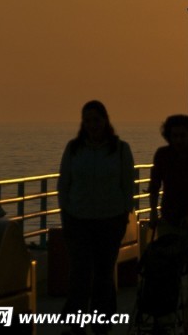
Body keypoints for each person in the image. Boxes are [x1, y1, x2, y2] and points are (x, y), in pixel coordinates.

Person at [58, 100, 135, 334]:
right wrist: (67, 212)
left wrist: (123, 212)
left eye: (96, 120)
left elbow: (127, 184)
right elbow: (64, 183)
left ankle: (102, 321)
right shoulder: (73, 149)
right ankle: (75, 323)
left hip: (110, 219)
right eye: (88, 120)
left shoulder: (120, 149)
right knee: (79, 272)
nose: (92, 125)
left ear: (105, 121)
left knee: (103, 273)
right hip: (78, 219)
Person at [148, 115, 188, 335]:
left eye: (182, 136)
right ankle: (165, 321)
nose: (178, 140)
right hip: (169, 220)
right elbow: (154, 185)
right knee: (166, 274)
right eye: (174, 136)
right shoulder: (163, 155)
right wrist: (153, 213)